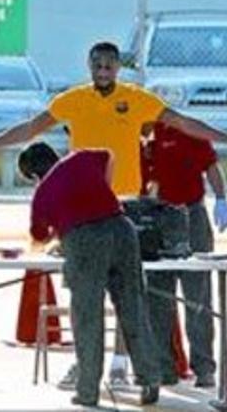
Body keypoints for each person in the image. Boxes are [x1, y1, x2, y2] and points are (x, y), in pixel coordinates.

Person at [0, 40, 227, 384]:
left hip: (128, 208)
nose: (103, 72)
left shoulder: (137, 99)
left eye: (109, 66)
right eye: (97, 66)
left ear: (117, 68)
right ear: (89, 66)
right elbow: (28, 129)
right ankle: (86, 364)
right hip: (83, 209)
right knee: (85, 289)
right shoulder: (73, 100)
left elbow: (184, 122)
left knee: (129, 289)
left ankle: (120, 364)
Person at [20, 143, 161, 407]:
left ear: (34, 175)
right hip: (121, 229)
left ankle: (88, 391)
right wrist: (102, 193)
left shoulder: (43, 191)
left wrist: (59, 229)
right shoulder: (82, 158)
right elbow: (110, 157)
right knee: (133, 306)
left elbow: (39, 236)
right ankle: (150, 378)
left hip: (83, 241)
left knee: (87, 316)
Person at [141, 122, 227, 388]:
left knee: (197, 294)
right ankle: (164, 366)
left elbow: (211, 165)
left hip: (191, 214)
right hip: (154, 218)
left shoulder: (185, 131)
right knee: (157, 295)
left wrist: (221, 198)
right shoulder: (134, 137)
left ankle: (204, 366)